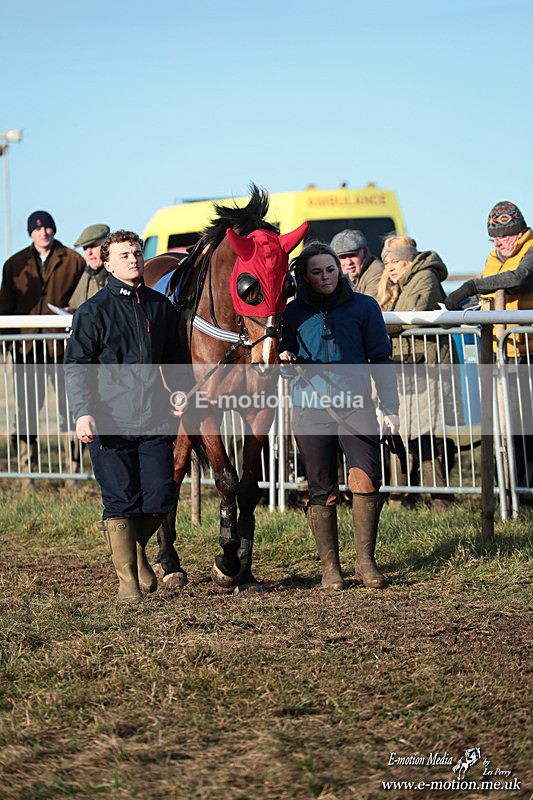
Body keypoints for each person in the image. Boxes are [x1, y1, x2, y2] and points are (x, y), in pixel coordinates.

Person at [64, 230, 188, 604]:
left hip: (155, 417)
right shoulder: (92, 311)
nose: (134, 259)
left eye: (136, 253)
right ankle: (127, 584)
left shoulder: (160, 306)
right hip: (108, 421)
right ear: (107, 263)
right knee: (121, 500)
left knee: (161, 497)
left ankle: (134, 552)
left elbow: (176, 358)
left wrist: (180, 392)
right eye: (124, 255)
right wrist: (83, 412)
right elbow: (77, 365)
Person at [280, 241, 400, 590]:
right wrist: (285, 363)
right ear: (305, 276)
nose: (326, 277)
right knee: (322, 488)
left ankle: (366, 563)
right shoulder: (290, 314)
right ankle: (330, 568)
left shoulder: (365, 307)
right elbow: (279, 369)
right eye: (317, 272)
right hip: (309, 409)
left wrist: (389, 407)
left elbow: (380, 358)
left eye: (330, 269)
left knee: (366, 479)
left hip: (357, 405)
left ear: (339, 270)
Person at [445, 201, 533, 495]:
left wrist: (470, 286)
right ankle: (511, 491)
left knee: (526, 428)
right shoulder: (494, 257)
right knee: (509, 429)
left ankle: (525, 493)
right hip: (501, 352)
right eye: (493, 238)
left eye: (504, 236)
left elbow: (518, 278)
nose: (498, 242)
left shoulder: (531, 251)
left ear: (519, 231)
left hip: (527, 352)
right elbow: (491, 296)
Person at [0, 210, 85, 487]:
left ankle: (72, 473)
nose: (43, 232)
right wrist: (9, 345)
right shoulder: (14, 265)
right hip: (25, 349)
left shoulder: (74, 261)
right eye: (37, 229)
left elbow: (83, 301)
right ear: (30, 233)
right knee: (26, 412)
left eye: (48, 227)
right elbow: (6, 307)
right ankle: (27, 474)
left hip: (62, 349)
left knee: (69, 409)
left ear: (54, 230)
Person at [378, 235, 458, 511]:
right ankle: (400, 498)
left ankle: (440, 500)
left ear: (410, 259)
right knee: (398, 433)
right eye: (387, 262)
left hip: (425, 367)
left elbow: (409, 314)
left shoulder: (426, 277)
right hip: (403, 366)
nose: (390, 268)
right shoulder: (396, 283)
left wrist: (373, 324)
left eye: (397, 261)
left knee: (422, 435)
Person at [330, 229, 383, 299]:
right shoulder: (331, 274)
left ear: (364, 252)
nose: (349, 262)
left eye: (352, 255)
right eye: (342, 257)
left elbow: (367, 307)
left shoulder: (376, 273)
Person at [68, 223, 110, 310]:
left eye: (93, 246)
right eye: (85, 248)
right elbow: (75, 305)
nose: (89, 252)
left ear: (106, 247)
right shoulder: (86, 275)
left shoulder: (119, 275)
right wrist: (71, 311)